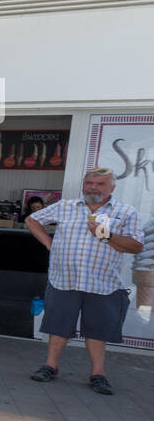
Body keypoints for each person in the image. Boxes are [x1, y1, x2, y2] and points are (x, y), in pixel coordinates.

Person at [25, 166, 142, 395]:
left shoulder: (125, 211)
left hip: (103, 282)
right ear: (83, 184)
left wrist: (107, 235)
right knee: (58, 325)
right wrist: (49, 244)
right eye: (89, 182)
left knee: (97, 331)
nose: (93, 187)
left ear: (112, 187)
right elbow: (32, 220)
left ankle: (98, 373)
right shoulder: (66, 206)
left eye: (100, 184)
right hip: (64, 279)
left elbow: (136, 245)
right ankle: (50, 365)